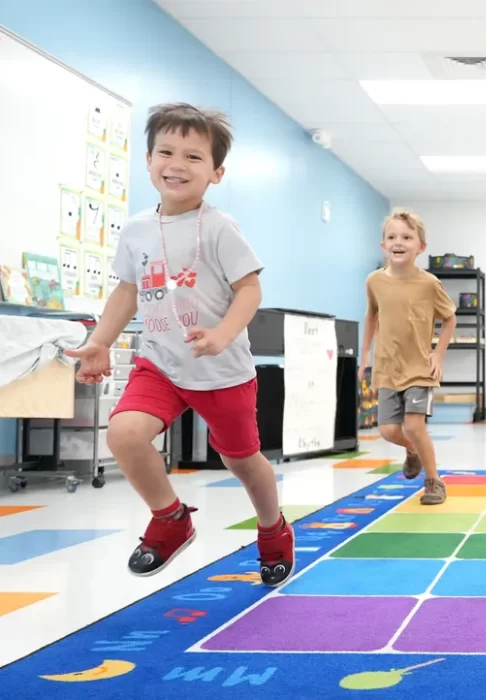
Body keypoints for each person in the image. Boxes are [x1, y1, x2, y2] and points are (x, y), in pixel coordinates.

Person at [65, 103, 295, 582]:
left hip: (222, 371)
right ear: (148, 160)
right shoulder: (135, 230)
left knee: (243, 462)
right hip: (162, 364)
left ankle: (273, 528)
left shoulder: (218, 226)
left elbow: (249, 288)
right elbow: (127, 291)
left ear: (216, 172)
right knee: (125, 434)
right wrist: (101, 341)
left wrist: (222, 334)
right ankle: (171, 520)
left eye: (194, 157)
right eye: (166, 152)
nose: (177, 164)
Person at [361, 208, 456, 505]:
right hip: (388, 367)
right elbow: (372, 316)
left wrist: (438, 355)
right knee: (389, 430)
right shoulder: (374, 281)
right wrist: (365, 353)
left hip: (418, 368)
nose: (398, 242)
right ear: (383, 245)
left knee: (414, 426)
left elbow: (449, 318)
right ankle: (412, 450)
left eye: (406, 237)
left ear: (421, 247)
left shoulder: (429, 284)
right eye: (392, 237)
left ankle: (434, 481)